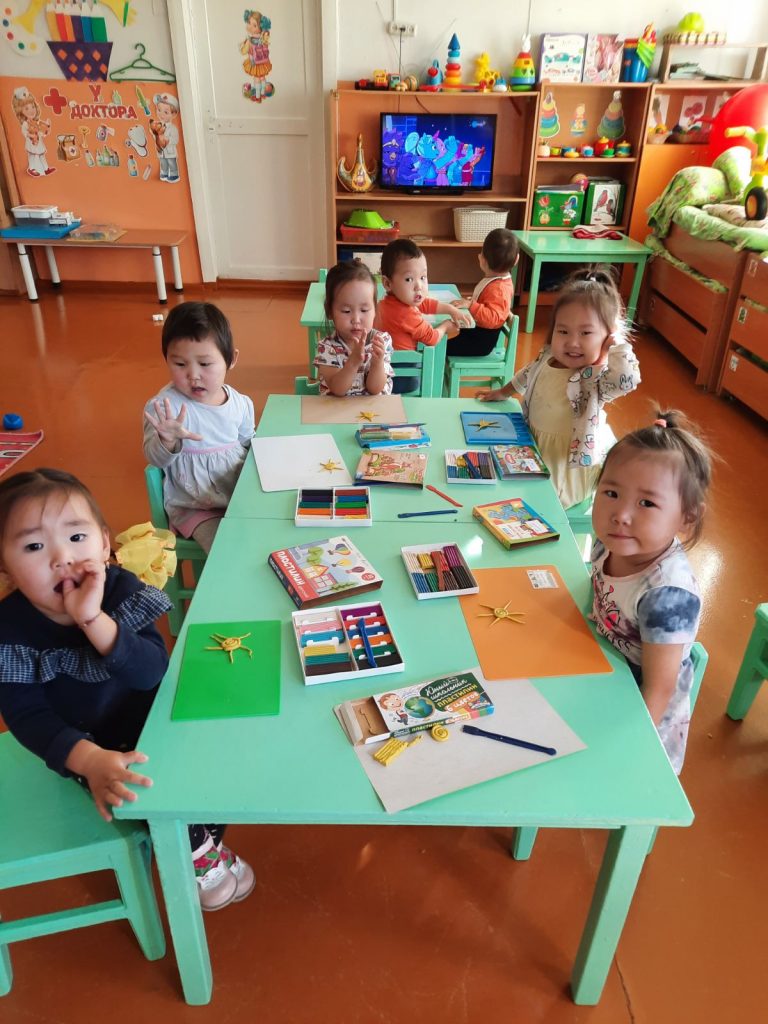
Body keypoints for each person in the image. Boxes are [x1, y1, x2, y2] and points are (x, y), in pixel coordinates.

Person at [0, 469, 254, 910]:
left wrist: (93, 620)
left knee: (216, 772)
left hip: (157, 718)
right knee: (151, 792)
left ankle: (202, 846)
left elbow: (151, 672)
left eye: (76, 537)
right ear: (4, 567)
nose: (62, 558)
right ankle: (199, 857)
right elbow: (27, 716)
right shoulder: (9, 629)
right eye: (34, 547)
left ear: (104, 543)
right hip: (92, 746)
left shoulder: (120, 590)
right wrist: (88, 760)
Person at [590, 411, 713, 773]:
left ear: (687, 517)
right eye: (611, 493)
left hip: (641, 718)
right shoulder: (611, 542)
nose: (621, 515)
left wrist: (625, 754)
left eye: (646, 503)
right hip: (603, 670)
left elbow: (658, 690)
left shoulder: (666, 596)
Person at [476, 266, 640, 508]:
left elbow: (627, 379)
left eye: (586, 333)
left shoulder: (595, 379)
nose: (572, 342)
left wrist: (617, 346)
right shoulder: (547, 357)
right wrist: (503, 392)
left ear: (607, 336)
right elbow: (527, 374)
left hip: (565, 468)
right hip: (534, 445)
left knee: (538, 501)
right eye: (563, 331)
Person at [143, 302, 254, 553]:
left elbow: (249, 442)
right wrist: (167, 441)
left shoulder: (241, 403)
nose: (193, 375)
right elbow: (155, 459)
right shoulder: (165, 409)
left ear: (231, 359)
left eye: (204, 364)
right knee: (226, 550)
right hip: (196, 508)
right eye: (180, 364)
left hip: (238, 495)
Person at [375, 239, 472, 352]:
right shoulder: (405, 314)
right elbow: (432, 338)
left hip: (386, 359)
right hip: (405, 362)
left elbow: (425, 304)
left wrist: (451, 310)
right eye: (409, 279)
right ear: (387, 283)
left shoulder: (389, 301)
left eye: (422, 277)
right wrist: (446, 326)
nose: (419, 286)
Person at [313, 260, 393, 396]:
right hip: (336, 408)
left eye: (364, 310)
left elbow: (375, 389)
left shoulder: (381, 341)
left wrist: (377, 363)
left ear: (375, 310)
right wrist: (353, 363)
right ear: (329, 311)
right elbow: (338, 390)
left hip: (374, 408)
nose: (356, 319)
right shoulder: (327, 348)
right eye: (346, 311)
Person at [447, 227, 519, 357]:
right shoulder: (497, 282)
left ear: (482, 260)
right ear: (516, 260)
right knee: (441, 339)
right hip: (475, 334)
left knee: (440, 347)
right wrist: (472, 302)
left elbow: (493, 318)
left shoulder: (499, 289)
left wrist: (471, 305)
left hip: (479, 343)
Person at [12, 85, 54, 177]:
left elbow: (40, 130)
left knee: (41, 155)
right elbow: (24, 132)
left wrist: (46, 130)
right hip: (31, 142)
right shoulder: (25, 123)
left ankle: (46, 169)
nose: (31, 110)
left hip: (39, 142)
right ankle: (31, 168)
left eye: (33, 106)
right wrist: (30, 135)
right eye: (26, 108)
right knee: (32, 155)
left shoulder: (37, 121)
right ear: (20, 111)